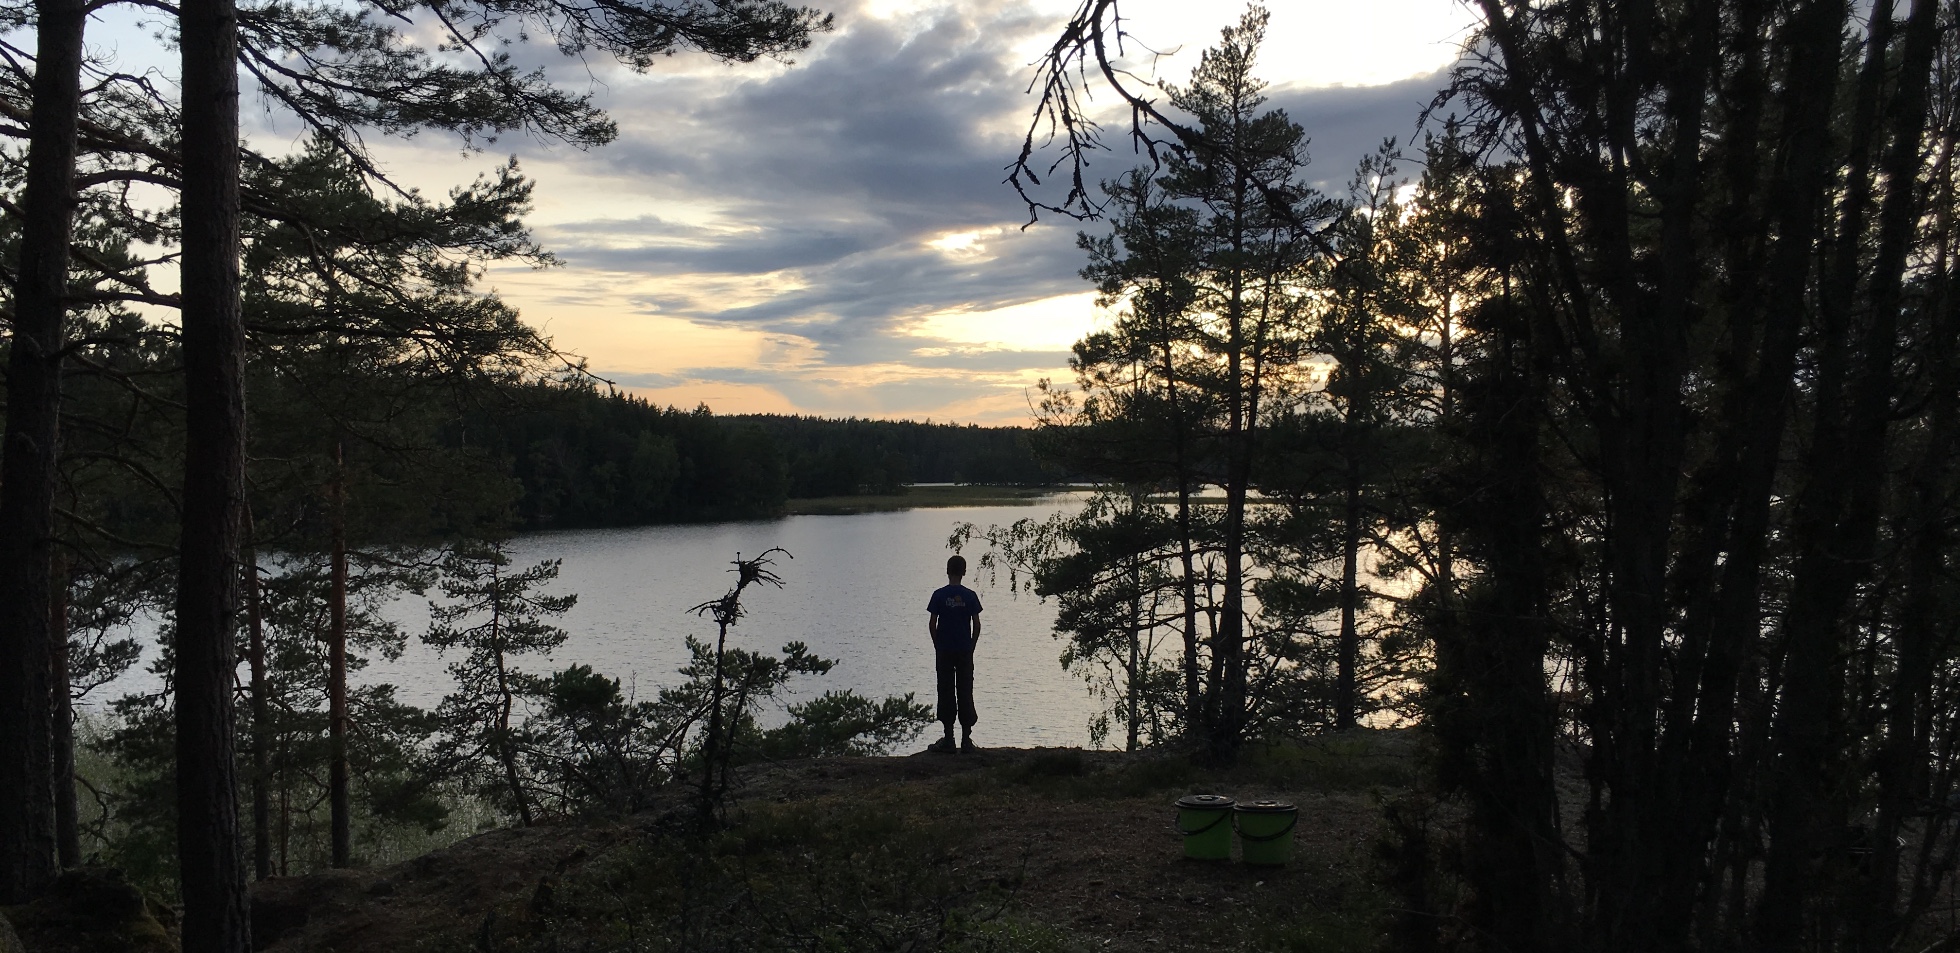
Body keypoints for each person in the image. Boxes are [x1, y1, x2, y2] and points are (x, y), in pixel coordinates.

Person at [926, 554, 983, 753]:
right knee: (965, 690)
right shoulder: (970, 596)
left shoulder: (938, 595)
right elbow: (976, 624)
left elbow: (932, 624)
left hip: (945, 651)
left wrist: (937, 645)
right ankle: (966, 739)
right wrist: (971, 646)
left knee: (946, 690)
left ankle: (949, 738)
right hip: (964, 651)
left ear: (947, 571)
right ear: (964, 572)